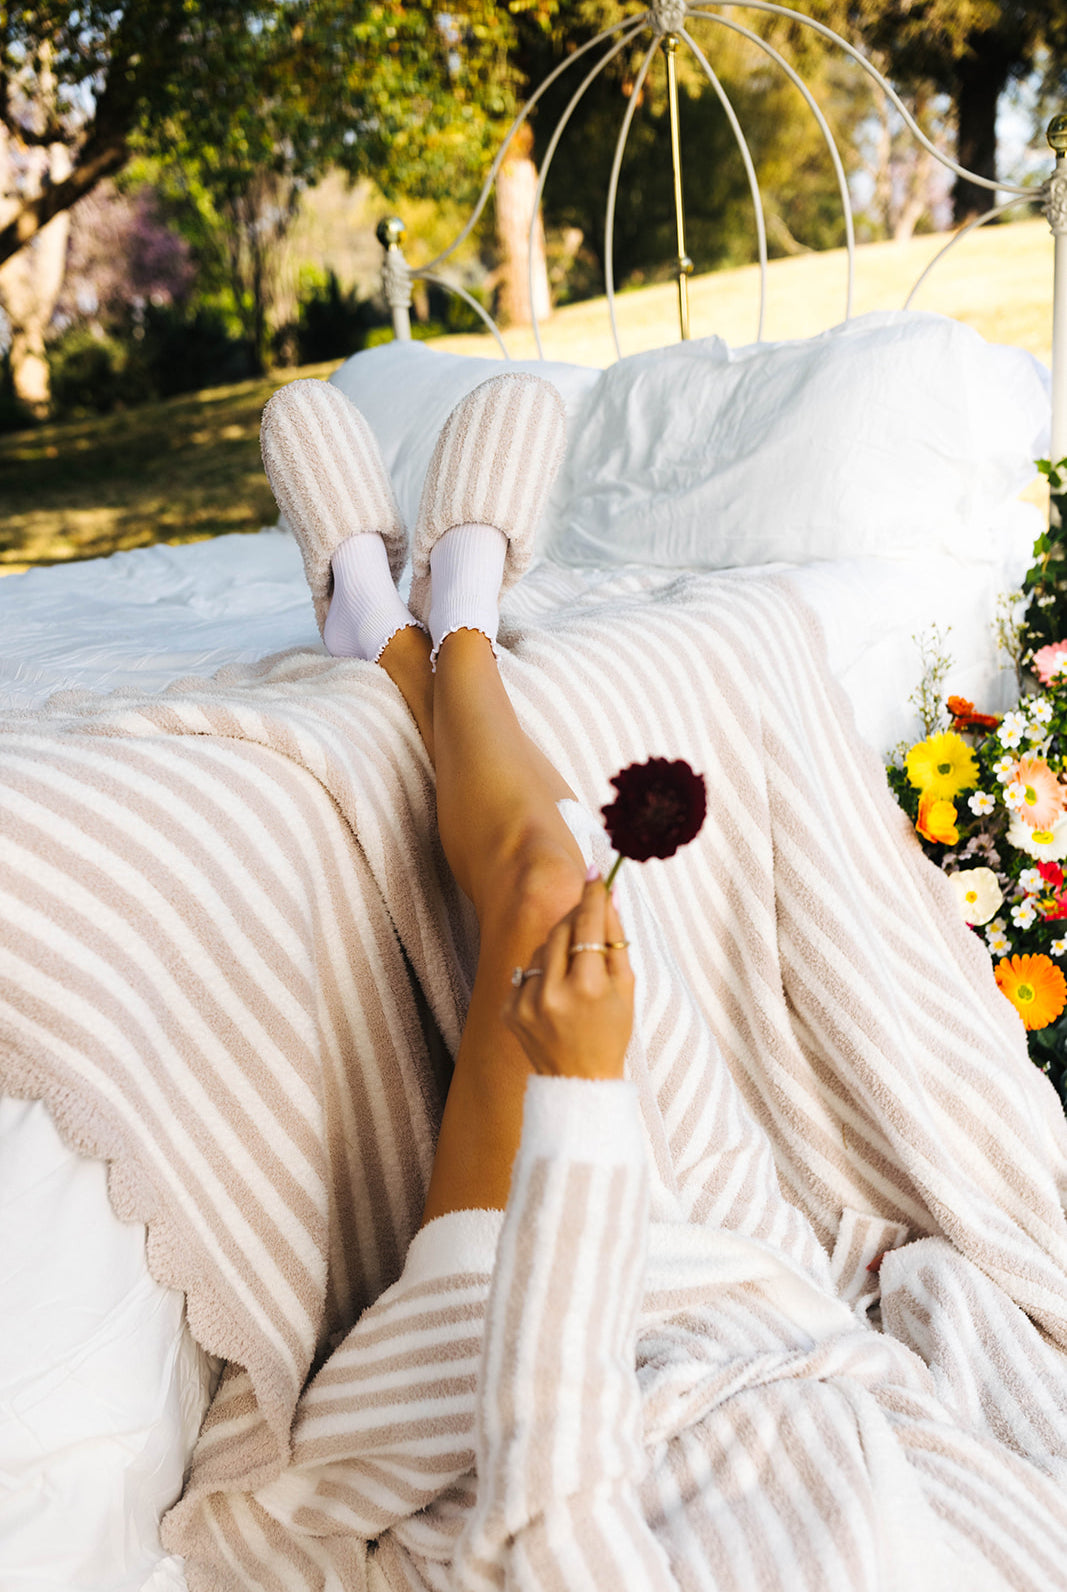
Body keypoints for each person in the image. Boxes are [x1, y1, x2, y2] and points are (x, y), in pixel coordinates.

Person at [257, 373, 1067, 1591]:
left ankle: (423, 624)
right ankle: (401, 623)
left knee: (546, 897)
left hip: (509, 1377)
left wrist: (582, 1101)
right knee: (610, 907)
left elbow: (544, 1531)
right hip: (764, 1306)